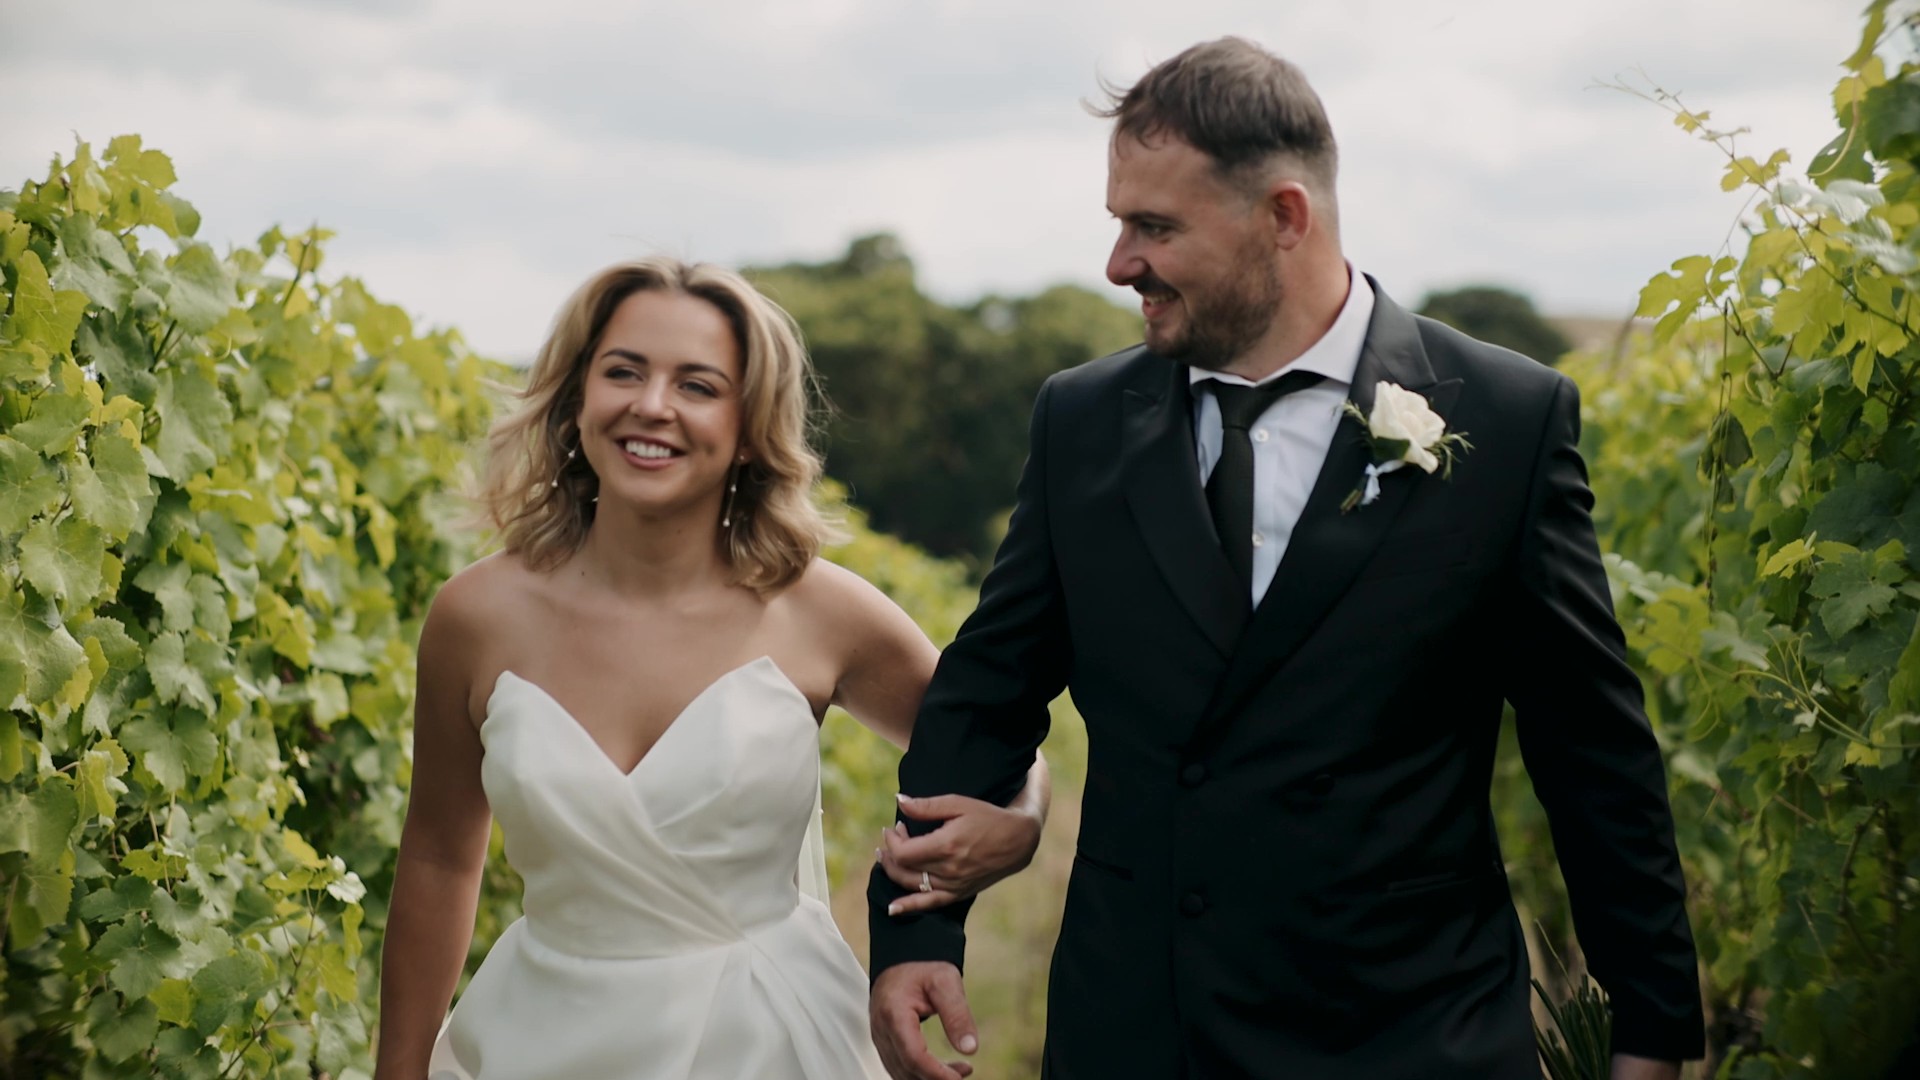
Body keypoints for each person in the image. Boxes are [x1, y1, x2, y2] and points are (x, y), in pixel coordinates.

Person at [868, 38, 1705, 1080]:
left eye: (1154, 227)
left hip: (1410, 1037)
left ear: (1284, 218)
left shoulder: (1506, 418)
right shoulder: (1081, 419)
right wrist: (912, 939)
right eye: (1120, 223)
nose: (1120, 262)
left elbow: (1593, 750)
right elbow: (986, 696)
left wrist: (1655, 1031)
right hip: (1139, 1033)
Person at [372, 257, 1048, 1080]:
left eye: (697, 385)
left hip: (769, 1042)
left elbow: (991, 742)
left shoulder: (822, 611)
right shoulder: (475, 617)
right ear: (578, 396)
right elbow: (440, 856)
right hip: (538, 1038)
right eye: (623, 372)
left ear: (748, 424)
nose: (651, 406)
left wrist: (1029, 815)